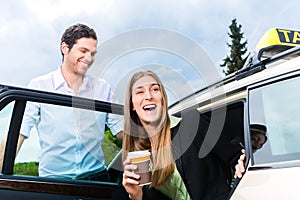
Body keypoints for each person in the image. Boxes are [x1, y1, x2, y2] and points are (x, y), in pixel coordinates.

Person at [0, 23, 122, 181]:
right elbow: (17, 134)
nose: (89, 58)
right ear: (65, 48)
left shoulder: (103, 88)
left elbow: (122, 132)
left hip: (97, 180)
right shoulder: (39, 86)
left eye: (93, 53)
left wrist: (156, 140)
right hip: (55, 181)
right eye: (83, 51)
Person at [114, 70, 242, 200]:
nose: (148, 96)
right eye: (140, 92)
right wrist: (136, 196)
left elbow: (236, 156)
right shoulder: (137, 155)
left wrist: (240, 163)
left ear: (162, 98)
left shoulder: (191, 122)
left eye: (155, 89)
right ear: (132, 106)